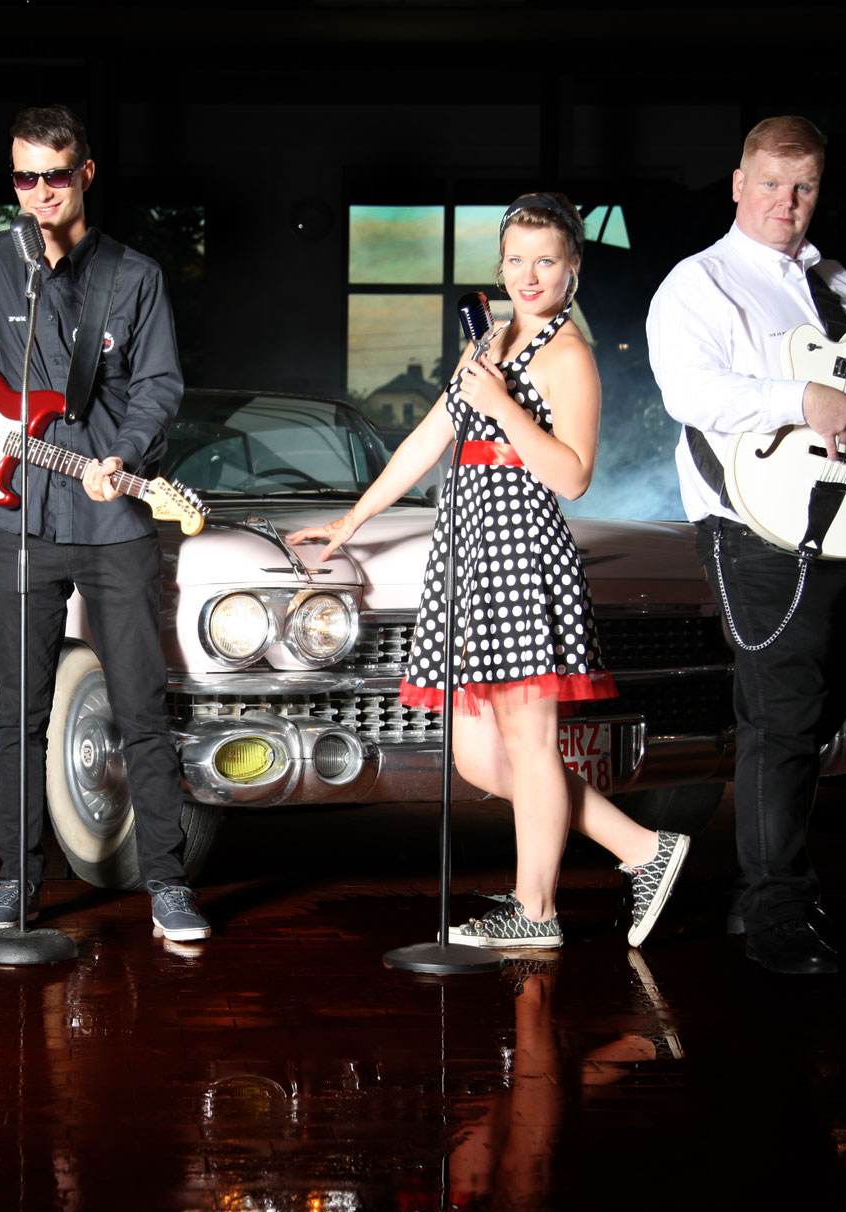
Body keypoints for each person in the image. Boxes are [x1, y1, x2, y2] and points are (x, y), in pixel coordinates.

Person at [288, 194, 689, 949]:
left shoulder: (569, 355)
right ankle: (642, 847)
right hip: (469, 555)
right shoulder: (489, 344)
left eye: (546, 260)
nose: (528, 276)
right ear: (500, 268)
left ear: (573, 268)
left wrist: (503, 405)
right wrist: (351, 520)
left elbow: (573, 476)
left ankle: (536, 911)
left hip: (521, 556)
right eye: (516, 261)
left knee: (530, 747)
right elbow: (426, 440)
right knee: (479, 755)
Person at [645, 115, 846, 974]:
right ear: (738, 185)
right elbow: (690, 391)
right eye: (772, 184)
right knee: (782, 708)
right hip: (751, 520)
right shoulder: (699, 283)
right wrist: (801, 398)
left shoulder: (832, 280)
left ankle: (765, 886)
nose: (787, 202)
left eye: (805, 186)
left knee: (826, 699)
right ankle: (773, 907)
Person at [0, 105, 206, 942]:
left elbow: (159, 384)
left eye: (54, 174)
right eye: (24, 177)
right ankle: (17, 881)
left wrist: (124, 453)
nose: (39, 191)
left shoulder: (134, 275)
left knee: (139, 707)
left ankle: (167, 882)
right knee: (20, 711)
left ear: (85, 174)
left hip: (113, 518)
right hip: (22, 520)